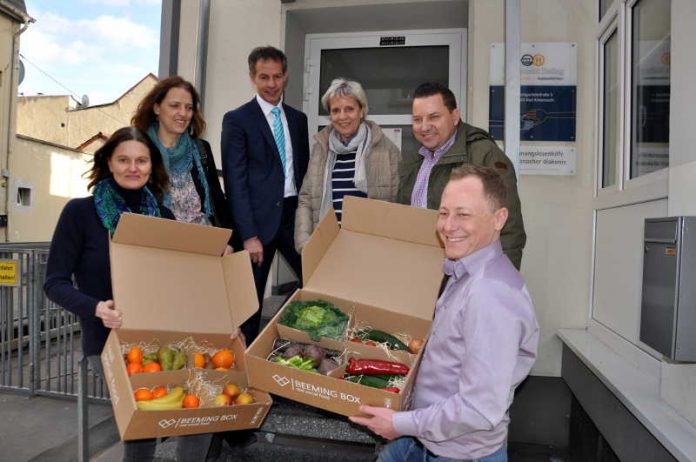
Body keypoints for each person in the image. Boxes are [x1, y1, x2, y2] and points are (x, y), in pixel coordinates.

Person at [351, 165, 539, 462]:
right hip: (425, 440)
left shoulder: (491, 294)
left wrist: (398, 424)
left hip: (460, 454)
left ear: (499, 218)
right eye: (443, 213)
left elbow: (478, 408)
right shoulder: (463, 271)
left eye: (463, 214)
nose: (448, 226)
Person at [43, 127, 184, 462]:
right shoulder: (80, 213)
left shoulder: (165, 218)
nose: (133, 167)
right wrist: (95, 308)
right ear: (108, 162)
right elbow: (54, 282)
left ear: (152, 166)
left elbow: (177, 283)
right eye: (123, 159)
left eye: (141, 160)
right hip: (107, 341)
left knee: (202, 415)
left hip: (161, 338)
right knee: (141, 423)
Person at [222, 45, 310, 343]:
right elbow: (235, 182)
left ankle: (300, 348)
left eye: (277, 76)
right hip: (256, 225)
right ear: (252, 78)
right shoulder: (237, 120)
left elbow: (304, 173)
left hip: (292, 219)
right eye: (264, 77)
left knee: (317, 279)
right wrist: (248, 234)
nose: (271, 84)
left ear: (285, 77)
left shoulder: (298, 120)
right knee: (250, 306)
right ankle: (244, 370)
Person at [396, 82, 526, 269]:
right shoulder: (413, 162)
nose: (424, 127)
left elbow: (509, 230)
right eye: (417, 119)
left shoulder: (484, 156)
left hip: (470, 278)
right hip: (421, 275)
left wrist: (498, 283)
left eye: (434, 117)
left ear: (455, 116)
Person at [295, 78, 400, 251]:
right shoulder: (320, 150)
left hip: (371, 250)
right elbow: (306, 200)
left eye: (349, 109)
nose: (342, 116)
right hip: (327, 247)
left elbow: (399, 202)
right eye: (336, 110)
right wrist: (305, 243)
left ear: (362, 111)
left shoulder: (386, 150)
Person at [132, 75, 232, 254]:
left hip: (205, 249)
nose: (183, 113)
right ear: (156, 107)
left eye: (189, 108)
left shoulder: (201, 149)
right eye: (174, 105)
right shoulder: (139, 151)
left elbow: (217, 199)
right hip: (158, 250)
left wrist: (228, 241)